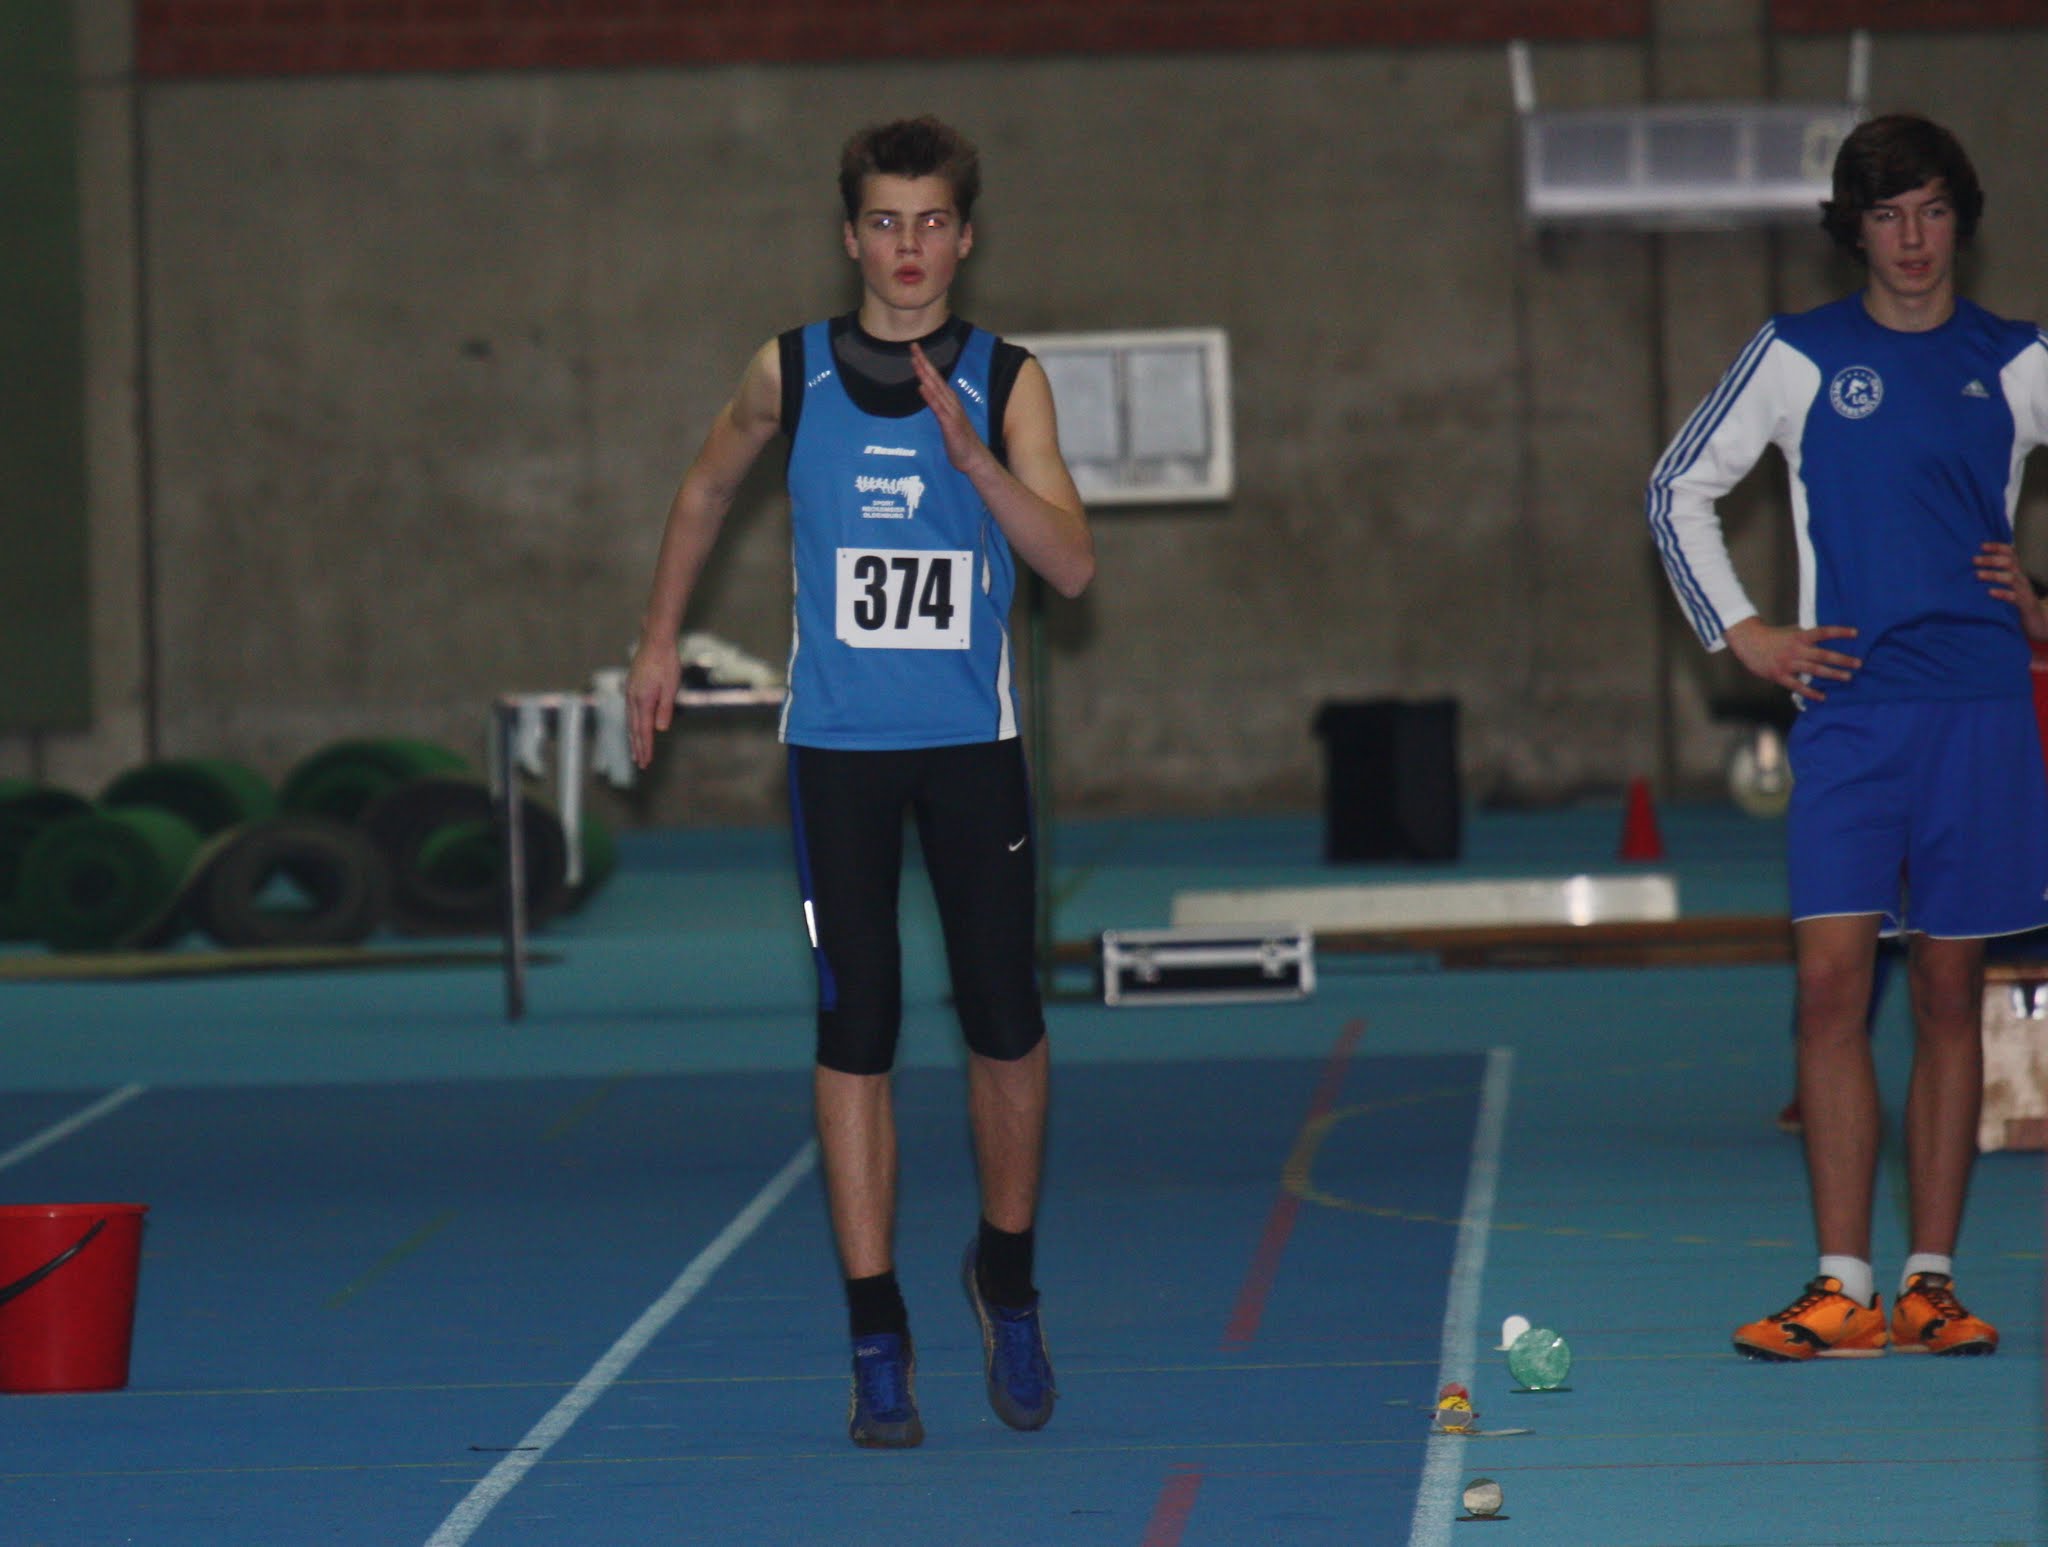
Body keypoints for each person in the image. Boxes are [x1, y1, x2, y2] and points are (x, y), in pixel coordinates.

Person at [626, 117, 1092, 1445]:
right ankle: (877, 1330)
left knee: (1005, 1021)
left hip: (969, 751)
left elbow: (1070, 566)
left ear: (965, 234)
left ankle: (1007, 1279)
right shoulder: (789, 371)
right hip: (836, 754)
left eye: (931, 220)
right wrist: (657, 636)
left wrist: (976, 461)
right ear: (849, 236)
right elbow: (703, 491)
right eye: (884, 221)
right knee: (857, 1027)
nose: (908, 246)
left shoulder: (1009, 380)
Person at [1648, 114, 2048, 1360]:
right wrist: (1743, 633)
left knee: (1945, 990)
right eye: (1885, 215)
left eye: (1929, 210)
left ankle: (1929, 1280)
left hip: (1978, 711)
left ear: (1958, 218)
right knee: (1826, 985)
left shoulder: (2015, 359)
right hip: (1849, 714)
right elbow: (1675, 489)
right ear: (1853, 230)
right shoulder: (1796, 354)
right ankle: (1837, 1284)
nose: (1911, 238)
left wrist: (2043, 601)